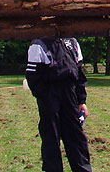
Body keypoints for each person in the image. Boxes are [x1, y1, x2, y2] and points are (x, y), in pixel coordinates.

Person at [26, 37, 92, 172]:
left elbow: (79, 73)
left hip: (70, 95)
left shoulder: (72, 42)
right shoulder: (39, 44)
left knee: (77, 139)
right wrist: (45, 97)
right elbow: (33, 76)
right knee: (51, 139)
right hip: (50, 95)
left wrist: (81, 101)